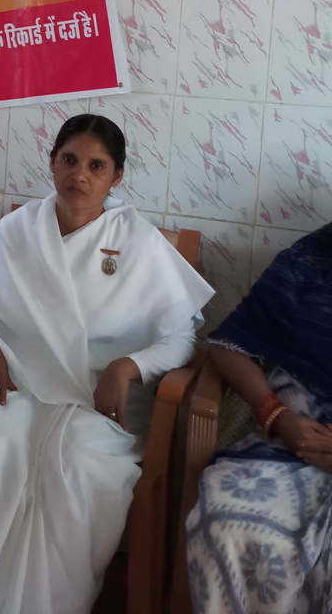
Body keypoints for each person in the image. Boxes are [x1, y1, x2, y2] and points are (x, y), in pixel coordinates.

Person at [0, 114, 213, 614]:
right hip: (20, 387)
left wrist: (127, 366)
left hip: (99, 403)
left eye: (96, 166)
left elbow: (181, 336)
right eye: (69, 160)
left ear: (116, 177)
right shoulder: (19, 229)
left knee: (77, 464)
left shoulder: (138, 240)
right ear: (52, 162)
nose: (80, 175)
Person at [184, 223, 332, 613]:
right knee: (225, 523)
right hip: (286, 444)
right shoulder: (310, 258)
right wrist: (277, 416)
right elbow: (228, 345)